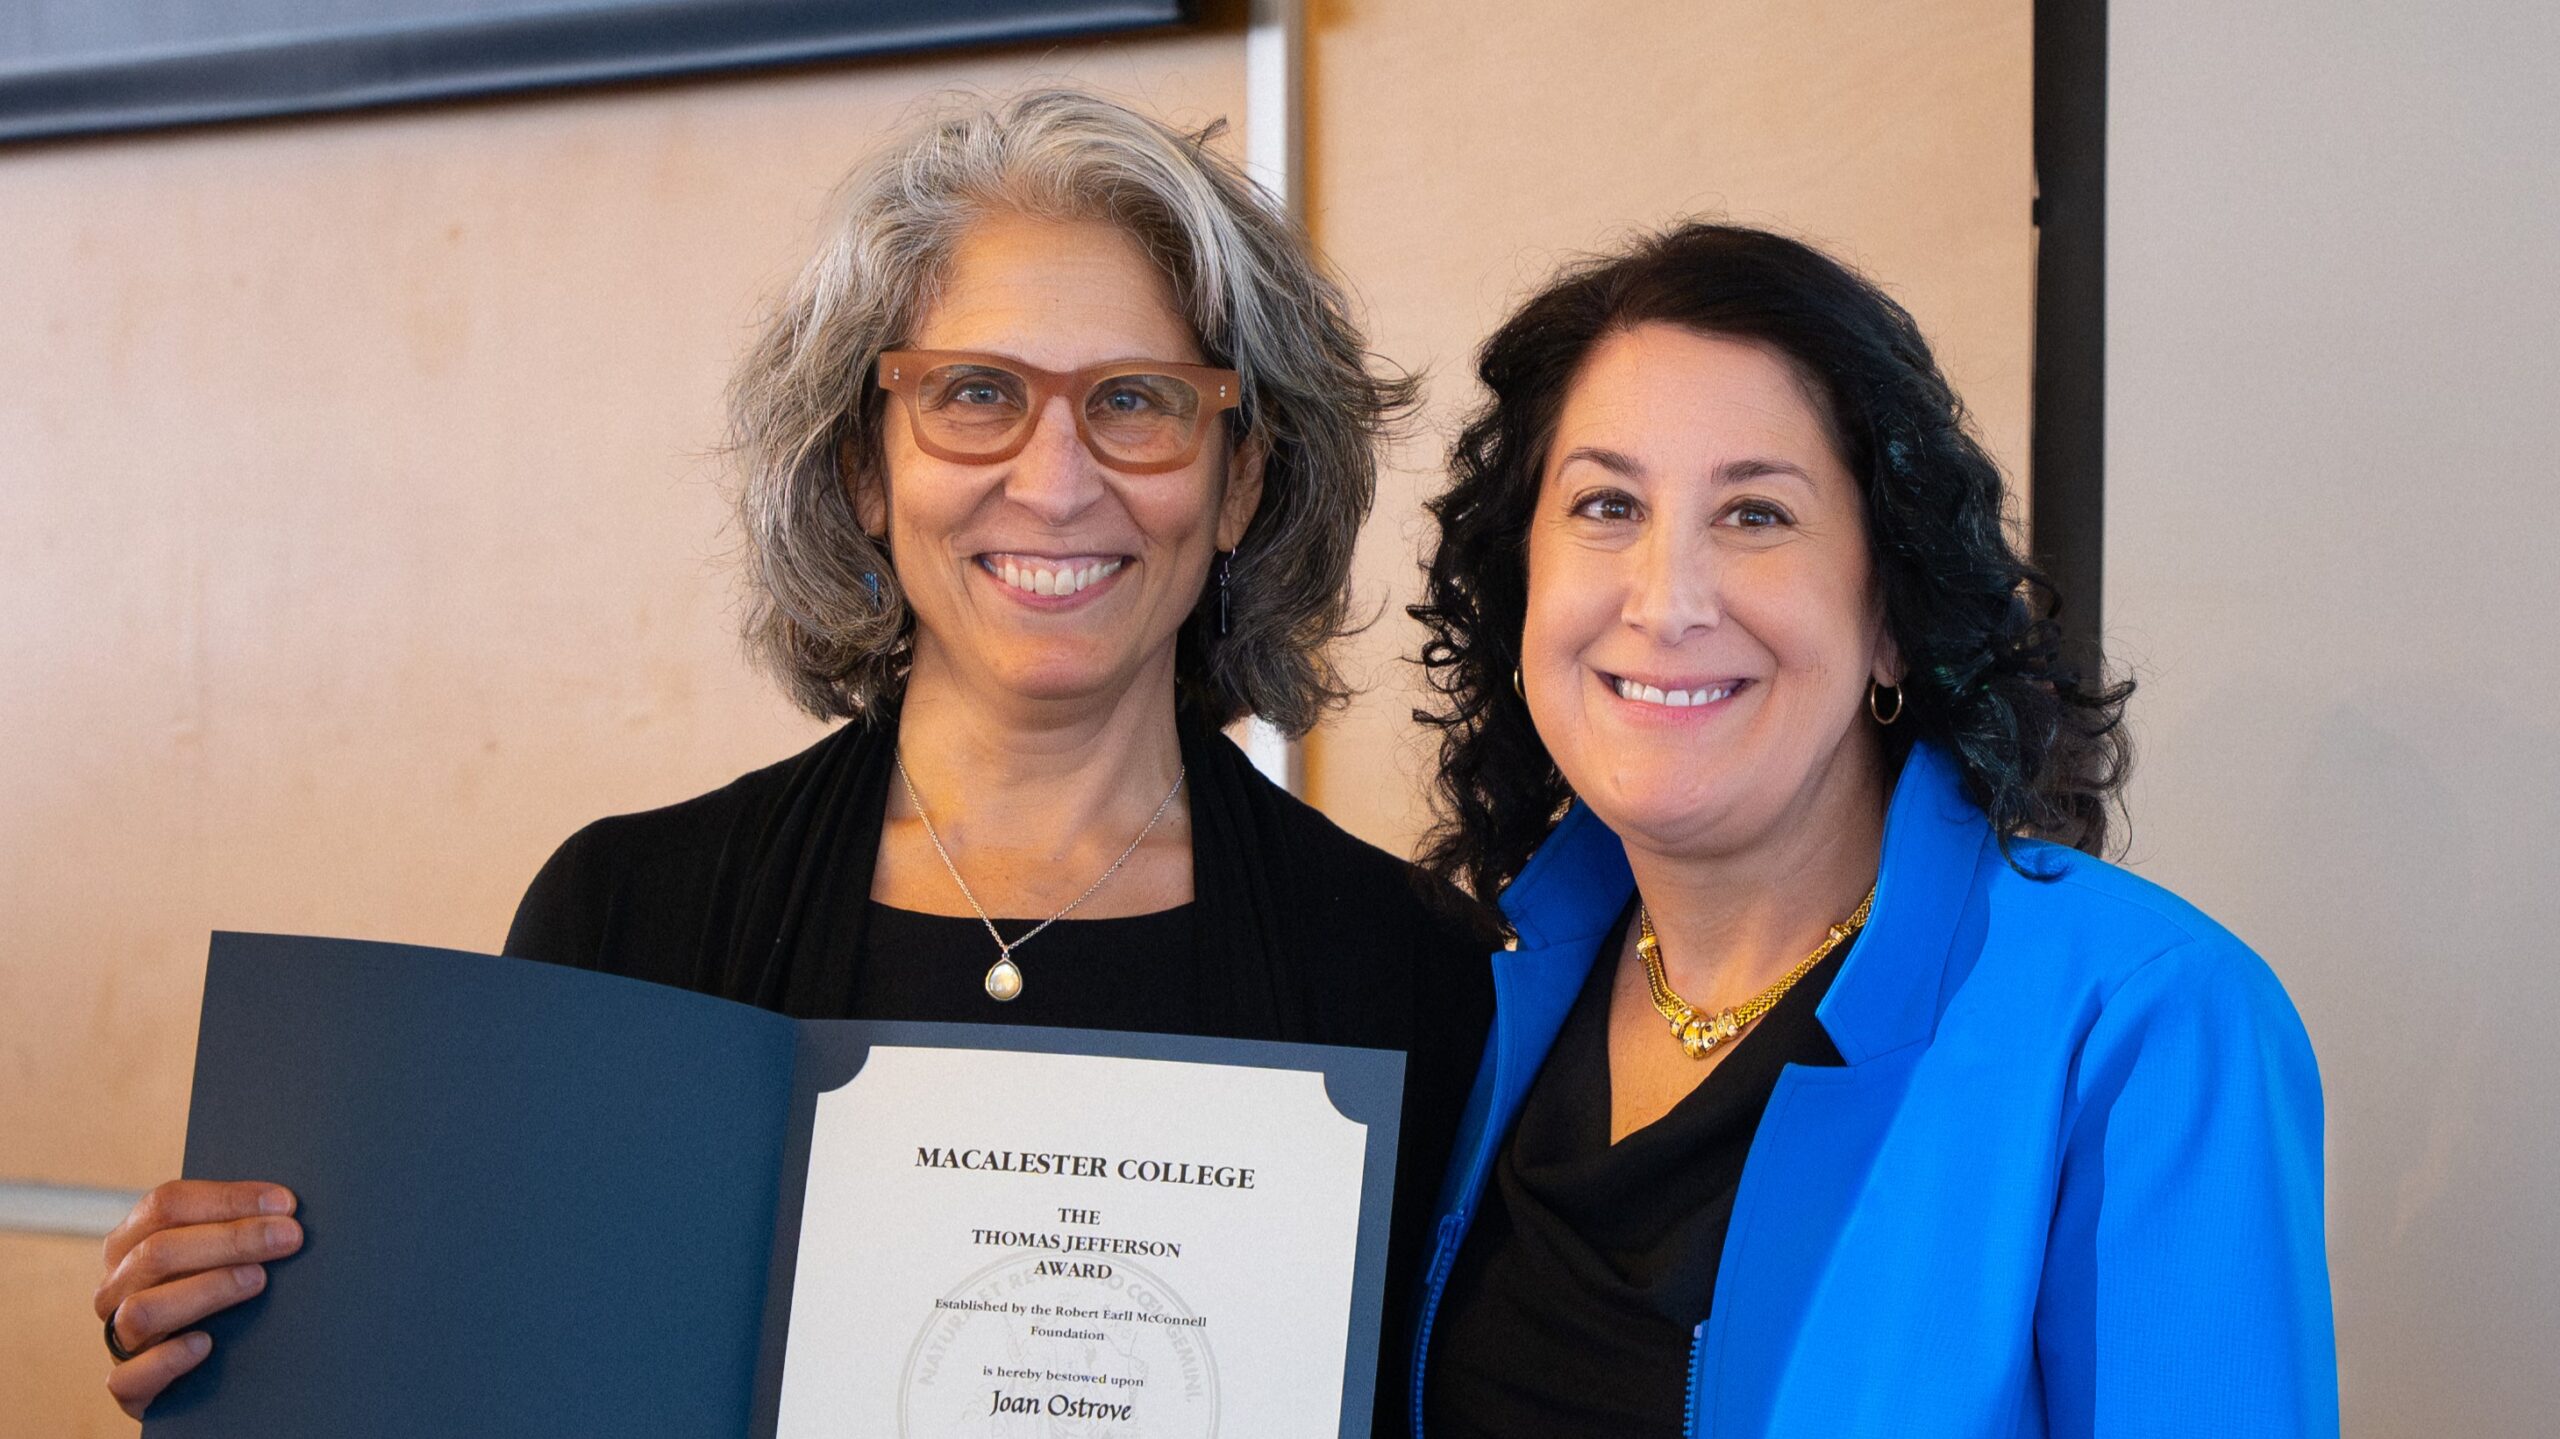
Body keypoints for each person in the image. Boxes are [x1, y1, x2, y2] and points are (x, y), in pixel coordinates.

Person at [92, 88, 1492, 1426]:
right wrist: (264, 1336)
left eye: (1135, 400)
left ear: (1240, 477)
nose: (1058, 479)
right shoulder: (629, 917)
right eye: (975, 392)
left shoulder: (1404, 963)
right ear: (864, 471)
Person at [1403, 223, 2336, 1436]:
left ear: (1889, 612)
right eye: (1606, 503)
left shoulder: (2143, 1019)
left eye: (1753, 514)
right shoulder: (1479, 994)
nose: (1666, 597)